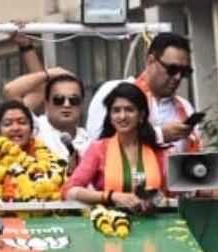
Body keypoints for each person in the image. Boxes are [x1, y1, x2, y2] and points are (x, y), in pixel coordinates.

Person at [85, 32, 200, 153]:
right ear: (150, 62)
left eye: (184, 72)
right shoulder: (114, 91)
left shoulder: (185, 107)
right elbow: (99, 145)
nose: (178, 77)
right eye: (172, 69)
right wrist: (159, 135)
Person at [62, 82, 168, 214]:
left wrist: (153, 201)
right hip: (110, 227)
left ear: (141, 115)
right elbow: (69, 191)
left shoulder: (158, 152)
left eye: (129, 109)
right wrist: (110, 196)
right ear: (110, 117)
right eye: (116, 110)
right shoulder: (98, 150)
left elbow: (168, 196)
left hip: (153, 229)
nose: (122, 116)